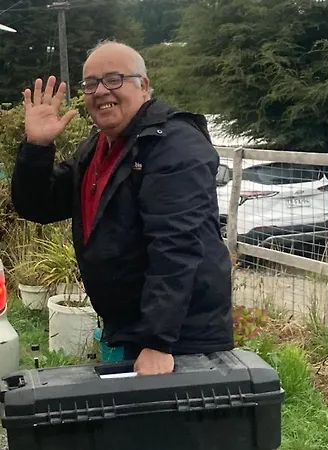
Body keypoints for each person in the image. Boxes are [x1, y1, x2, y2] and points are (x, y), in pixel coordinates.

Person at [11, 40, 234, 376]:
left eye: (114, 79)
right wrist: (37, 148)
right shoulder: (99, 147)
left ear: (143, 85)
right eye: (91, 83)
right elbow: (39, 206)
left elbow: (176, 245)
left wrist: (158, 341)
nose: (101, 91)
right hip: (135, 330)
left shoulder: (173, 144)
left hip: (181, 340)